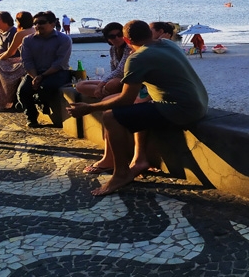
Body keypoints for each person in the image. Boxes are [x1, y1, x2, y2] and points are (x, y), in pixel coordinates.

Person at [68, 20, 208, 196]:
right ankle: (139, 159)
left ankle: (121, 173)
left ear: (127, 41)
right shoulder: (167, 44)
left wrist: (89, 108)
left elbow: (125, 99)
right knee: (137, 109)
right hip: (199, 104)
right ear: (150, 34)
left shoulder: (137, 58)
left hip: (179, 110)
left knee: (111, 117)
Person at [18, 10, 72, 128]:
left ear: (53, 24)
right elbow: (27, 61)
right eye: (35, 23)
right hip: (35, 73)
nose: (38, 26)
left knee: (46, 87)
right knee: (22, 91)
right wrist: (35, 77)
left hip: (57, 72)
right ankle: (31, 117)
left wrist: (42, 77)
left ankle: (42, 103)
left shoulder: (64, 40)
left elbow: (60, 62)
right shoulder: (27, 40)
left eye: (42, 22)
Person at [0, 11, 34, 110]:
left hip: (16, 61)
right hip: (24, 61)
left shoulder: (17, 33)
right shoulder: (34, 31)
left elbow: (10, 53)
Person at [75, 22, 128, 100]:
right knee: (80, 85)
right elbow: (113, 69)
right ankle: (105, 93)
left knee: (113, 83)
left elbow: (120, 71)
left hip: (127, 81)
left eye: (119, 35)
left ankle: (102, 94)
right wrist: (105, 83)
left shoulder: (128, 48)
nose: (117, 38)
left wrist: (101, 85)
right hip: (115, 81)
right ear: (108, 39)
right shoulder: (113, 49)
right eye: (112, 36)